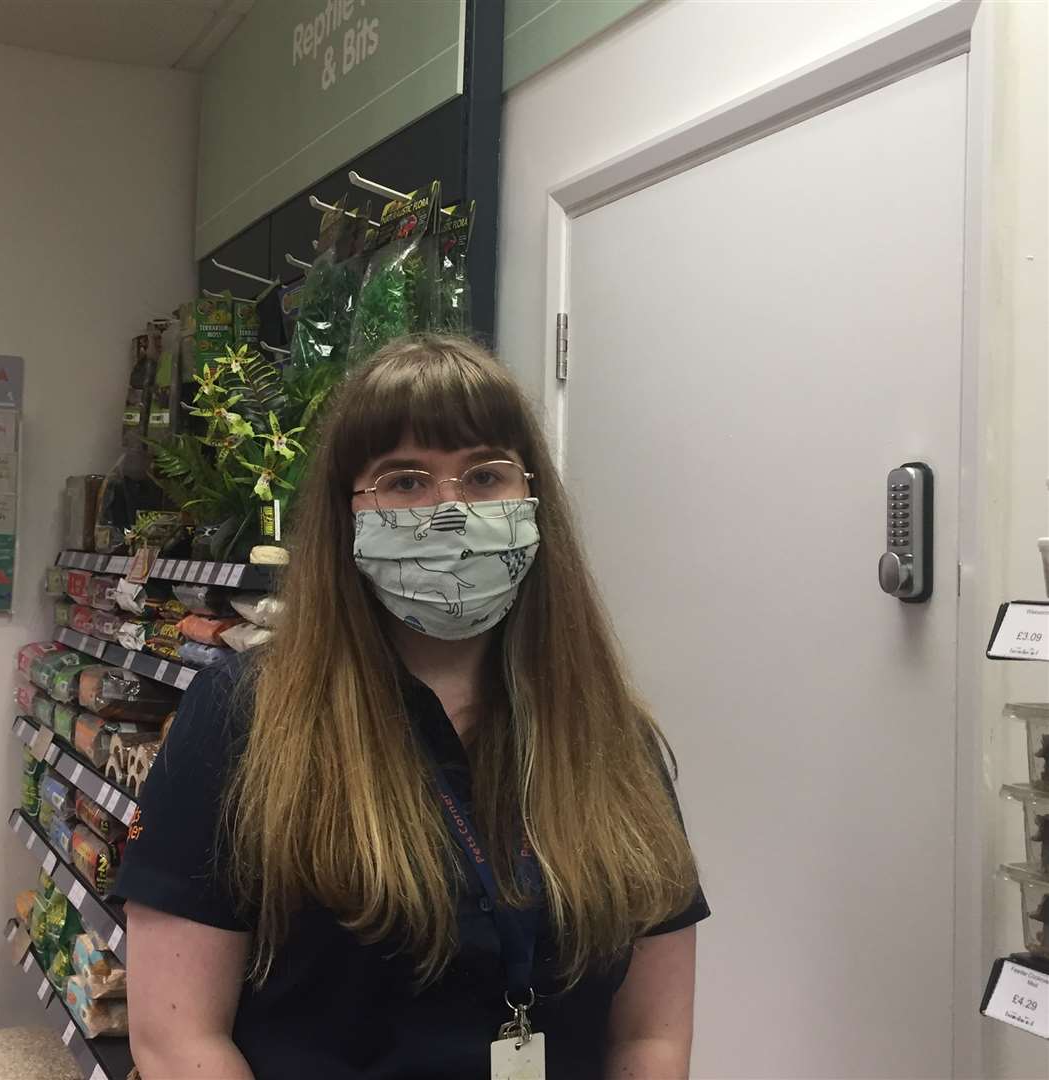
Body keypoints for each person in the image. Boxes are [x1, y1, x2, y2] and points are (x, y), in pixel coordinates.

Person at [117, 335, 709, 1079]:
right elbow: (178, 1041)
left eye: (485, 475)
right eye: (404, 482)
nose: (449, 511)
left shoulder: (610, 736)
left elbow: (648, 1038)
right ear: (347, 514)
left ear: (531, 498)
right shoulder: (242, 717)